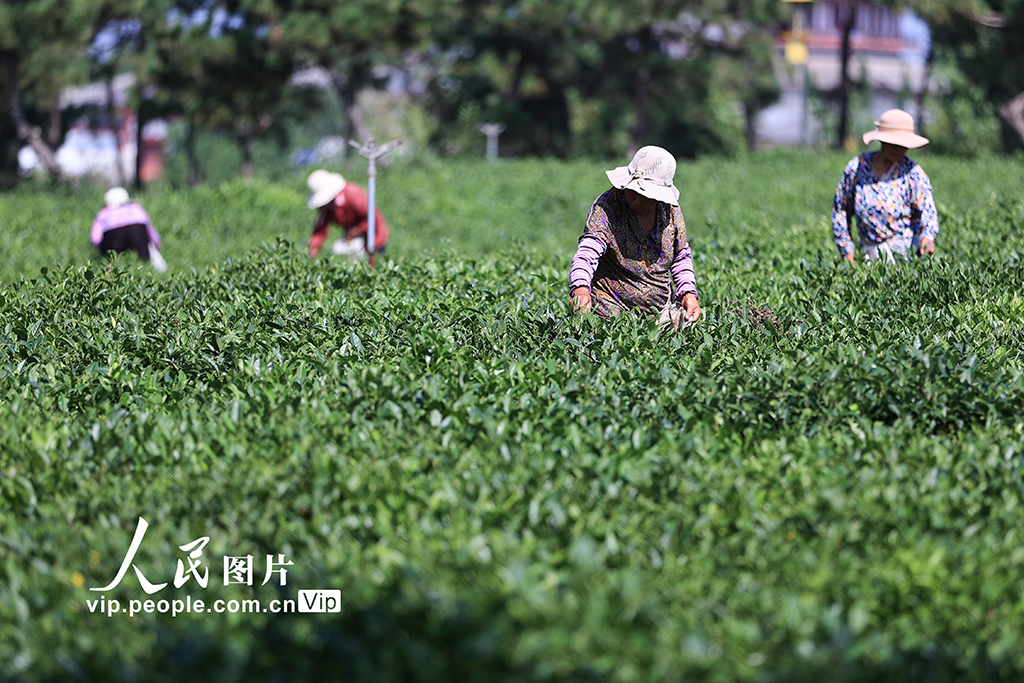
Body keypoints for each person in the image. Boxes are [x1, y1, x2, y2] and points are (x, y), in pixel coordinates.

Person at [569, 146, 701, 327]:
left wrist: (688, 293)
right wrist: (581, 288)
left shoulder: (670, 213)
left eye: (645, 196)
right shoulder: (607, 207)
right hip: (608, 309)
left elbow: (680, 256)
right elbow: (588, 251)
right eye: (633, 192)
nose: (637, 200)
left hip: (659, 310)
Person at [832, 109, 939, 265]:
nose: (899, 149)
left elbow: (927, 211)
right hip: (868, 255)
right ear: (882, 141)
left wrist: (928, 237)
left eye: (903, 144)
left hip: (905, 258)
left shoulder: (913, 174)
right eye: (894, 143)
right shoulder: (858, 168)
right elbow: (841, 208)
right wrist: (846, 249)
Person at [305, 169, 389, 258]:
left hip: (373, 236)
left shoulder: (354, 195)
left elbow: (374, 218)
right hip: (354, 237)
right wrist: (314, 246)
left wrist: (356, 230)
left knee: (372, 263)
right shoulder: (327, 206)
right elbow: (320, 228)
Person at [90, 187, 166, 272]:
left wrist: (102, 250)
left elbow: (95, 238)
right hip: (137, 230)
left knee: (113, 267)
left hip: (113, 235)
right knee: (144, 262)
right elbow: (150, 231)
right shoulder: (137, 208)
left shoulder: (103, 213)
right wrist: (156, 244)